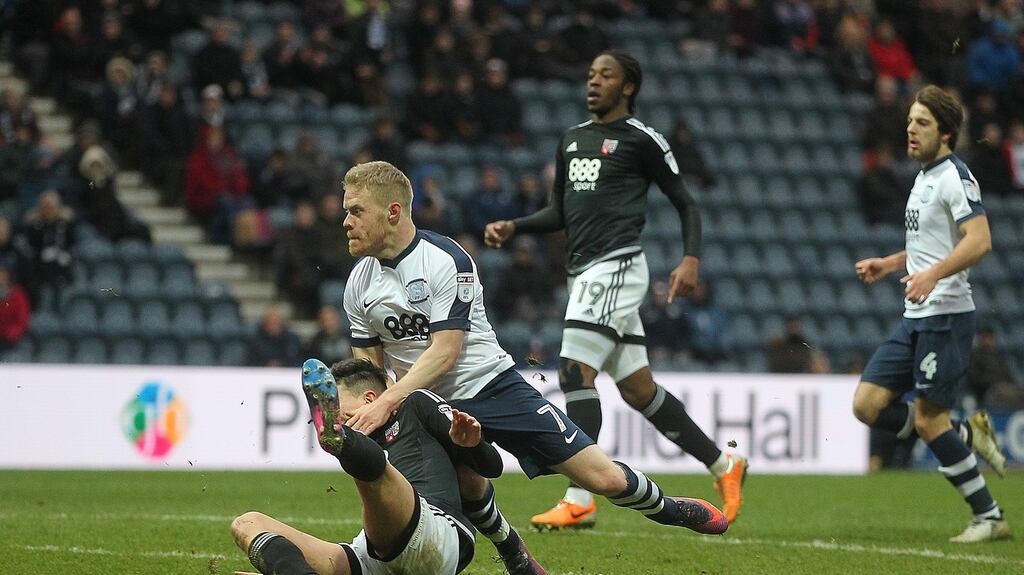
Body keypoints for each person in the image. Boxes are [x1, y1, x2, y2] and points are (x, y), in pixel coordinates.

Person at [339, 161, 728, 545]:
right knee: (466, 486)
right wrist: (371, 404)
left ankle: (670, 509)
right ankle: (516, 556)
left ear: (392, 211)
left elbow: (446, 353)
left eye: (356, 211)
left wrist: (385, 400)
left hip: (491, 387)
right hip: (424, 406)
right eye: (346, 212)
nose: (346, 222)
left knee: (602, 478)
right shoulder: (359, 282)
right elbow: (368, 367)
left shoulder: (445, 260)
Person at [484, 50, 747, 529]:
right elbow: (559, 213)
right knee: (638, 389)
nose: (594, 82)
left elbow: (686, 202)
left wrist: (690, 259)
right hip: (584, 272)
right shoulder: (571, 140)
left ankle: (580, 496)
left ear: (628, 86)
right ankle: (724, 464)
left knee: (572, 372)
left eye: (605, 75)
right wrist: (515, 227)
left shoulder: (643, 140)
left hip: (618, 266)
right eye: (590, 74)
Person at [852, 85, 1009, 543]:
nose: (910, 128)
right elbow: (928, 247)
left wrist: (933, 276)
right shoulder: (922, 177)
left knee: (926, 420)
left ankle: (990, 516)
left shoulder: (954, 176)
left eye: (921, 122)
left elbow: (979, 240)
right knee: (866, 405)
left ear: (946, 132)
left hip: (947, 317)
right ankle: (963, 430)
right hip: (915, 317)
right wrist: (892, 262)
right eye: (909, 121)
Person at [230, 357, 542, 575]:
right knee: (247, 523)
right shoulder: (365, 448)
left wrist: (470, 443)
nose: (336, 415)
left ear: (369, 398)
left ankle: (341, 442)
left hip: (435, 533)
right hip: (373, 556)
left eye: (338, 408)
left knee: (374, 470)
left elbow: (492, 467)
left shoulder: (415, 405)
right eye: (330, 412)